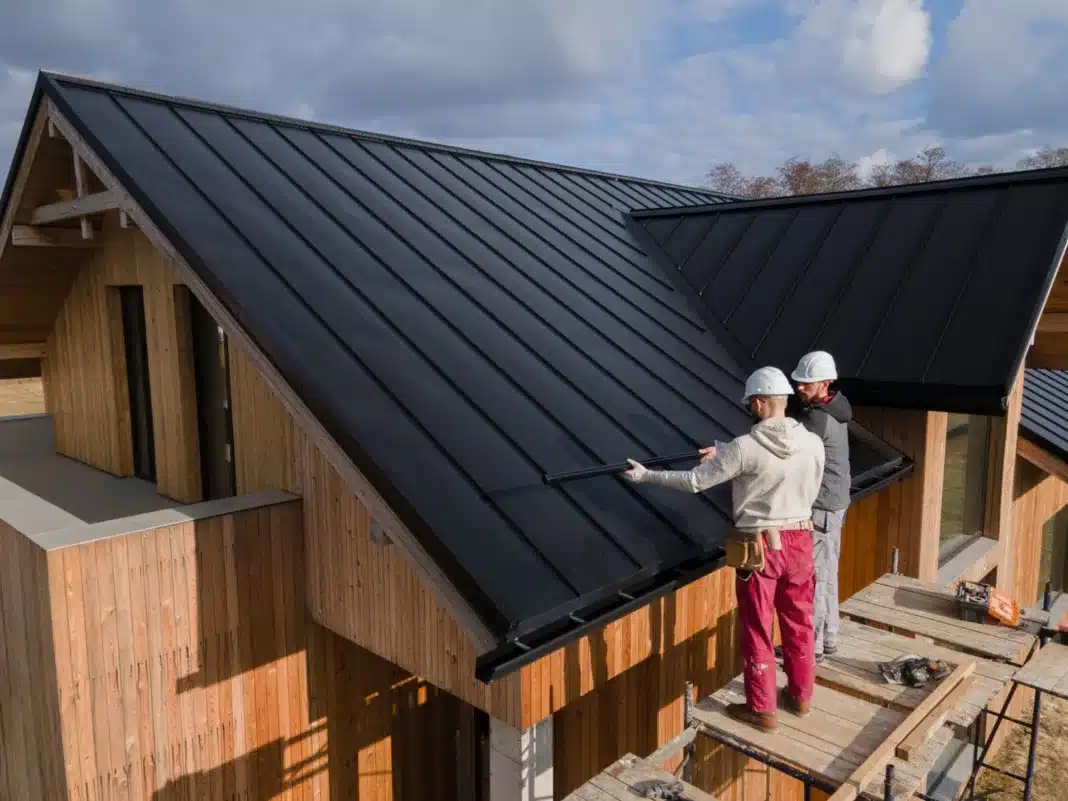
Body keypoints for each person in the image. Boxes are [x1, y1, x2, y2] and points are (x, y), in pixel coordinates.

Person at [622, 367, 824, 731]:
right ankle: (801, 697)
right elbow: (785, 467)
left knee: (758, 627)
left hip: (761, 547)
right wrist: (726, 451)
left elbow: (696, 481)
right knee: (799, 622)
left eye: (751, 404)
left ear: (760, 402)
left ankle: (762, 709)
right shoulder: (813, 441)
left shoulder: (746, 448)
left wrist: (646, 476)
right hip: (801, 542)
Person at [790, 351, 851, 664]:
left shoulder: (817, 419)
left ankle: (811, 650)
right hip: (834, 503)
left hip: (823, 506)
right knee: (828, 573)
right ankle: (828, 639)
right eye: (798, 381)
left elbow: (786, 447)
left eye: (806, 383)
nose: (799, 387)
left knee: (815, 577)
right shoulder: (836, 408)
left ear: (825, 383)